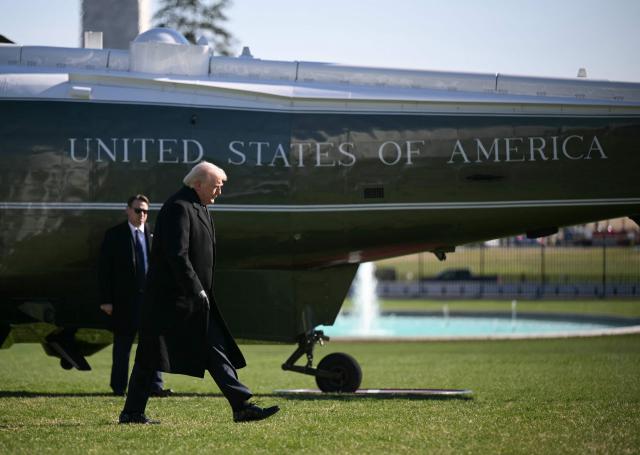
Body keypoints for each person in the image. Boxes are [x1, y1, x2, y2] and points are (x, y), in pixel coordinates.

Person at [119, 162, 279, 424]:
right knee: (149, 354)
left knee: (214, 347)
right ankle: (132, 412)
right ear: (197, 184)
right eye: (216, 187)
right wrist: (195, 288)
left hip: (192, 298)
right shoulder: (179, 207)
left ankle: (241, 405)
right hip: (171, 299)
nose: (219, 193)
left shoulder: (199, 206)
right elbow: (176, 255)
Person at [99, 195, 173, 397]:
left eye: (146, 211)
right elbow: (104, 270)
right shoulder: (115, 235)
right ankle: (119, 388)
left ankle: (155, 386)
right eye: (138, 210)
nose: (142, 215)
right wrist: (106, 300)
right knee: (122, 348)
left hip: (151, 302)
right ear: (128, 210)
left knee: (154, 346)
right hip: (124, 302)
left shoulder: (153, 235)